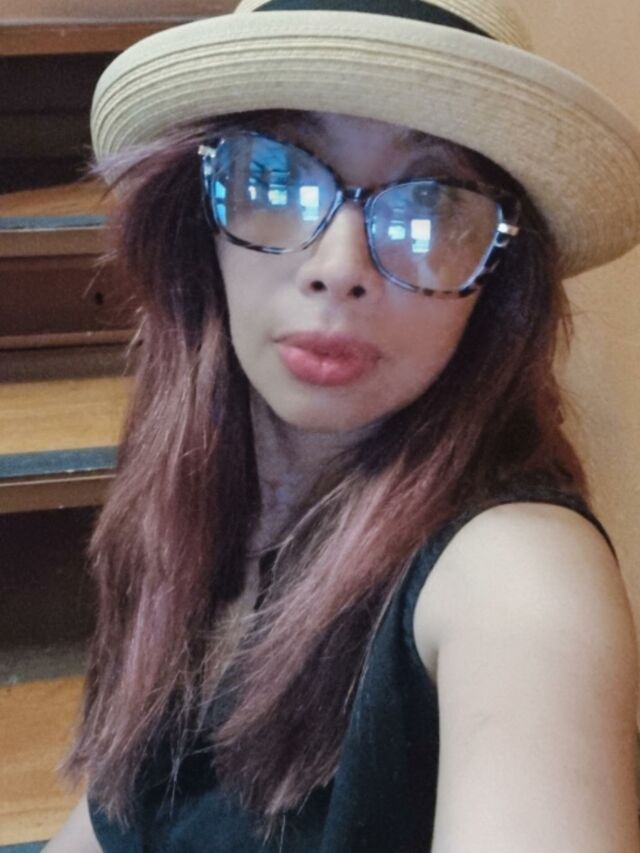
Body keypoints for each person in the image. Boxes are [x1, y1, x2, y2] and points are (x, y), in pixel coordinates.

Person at [44, 0, 640, 850]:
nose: (339, 266)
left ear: (499, 275)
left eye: (430, 204)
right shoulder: (199, 517)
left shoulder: (520, 580)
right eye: (278, 176)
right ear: (198, 218)